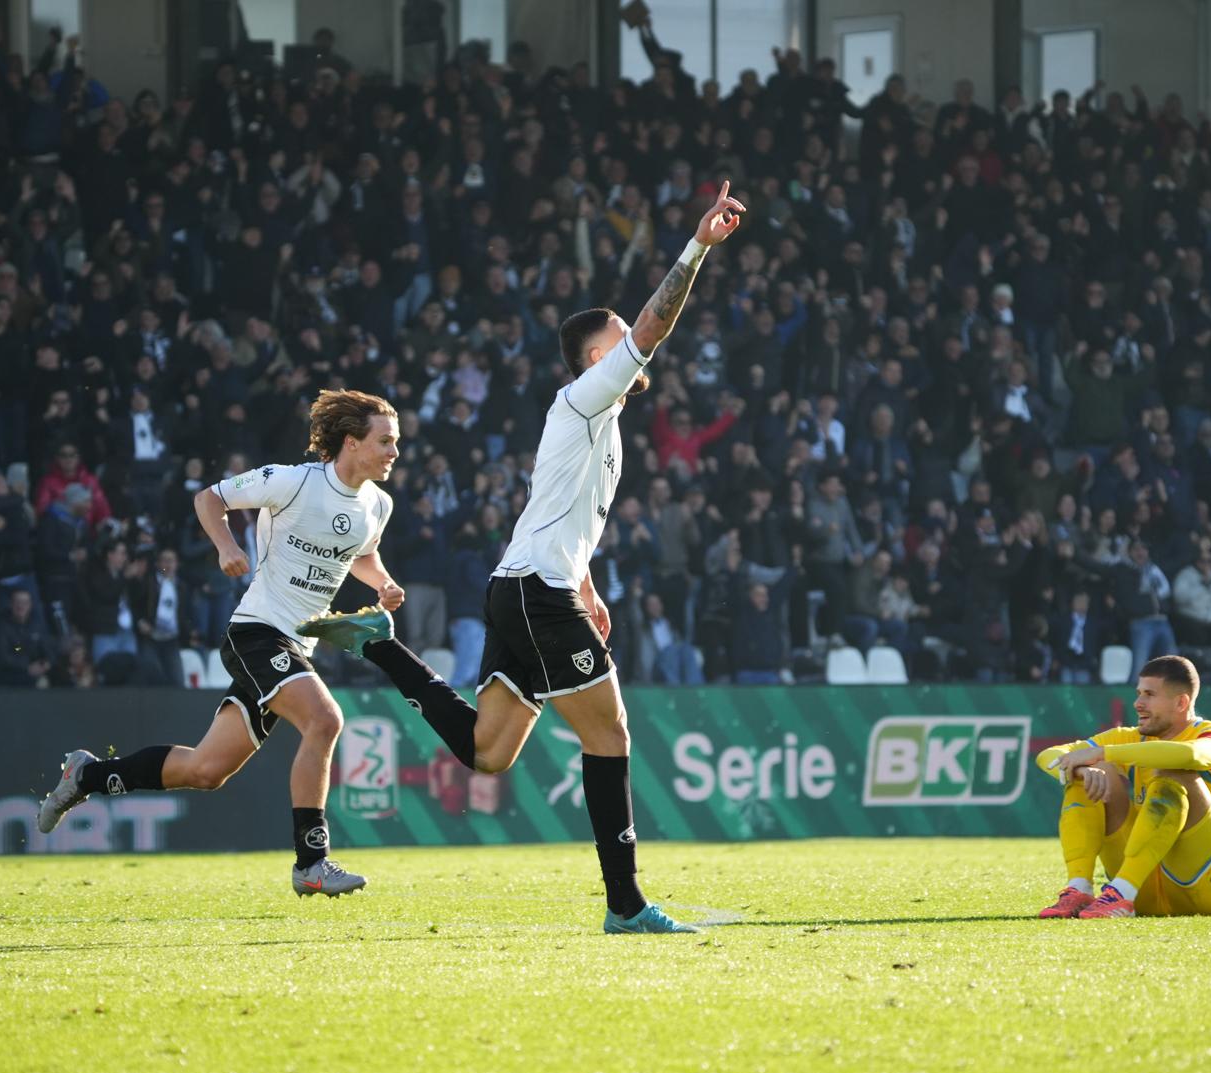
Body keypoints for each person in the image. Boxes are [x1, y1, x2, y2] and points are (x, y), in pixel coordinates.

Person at [301, 182, 747, 934]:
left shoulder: (600, 427)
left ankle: (383, 647)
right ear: (599, 356)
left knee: (489, 752)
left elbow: (559, 517)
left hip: (528, 586)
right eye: (622, 339)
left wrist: (589, 584)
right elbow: (656, 322)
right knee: (611, 737)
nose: (639, 348)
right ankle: (626, 903)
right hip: (537, 596)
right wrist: (698, 246)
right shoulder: (583, 397)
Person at [37, 390, 403, 898]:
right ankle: (312, 863)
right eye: (385, 441)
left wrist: (381, 583)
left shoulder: (378, 504)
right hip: (257, 632)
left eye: (396, 442)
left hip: (295, 647)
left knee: (206, 770)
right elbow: (209, 498)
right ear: (351, 442)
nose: (394, 452)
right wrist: (226, 545)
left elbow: (363, 554)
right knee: (326, 719)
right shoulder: (293, 481)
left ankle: (88, 775)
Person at [1033, 655, 1211, 919]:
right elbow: (1048, 756)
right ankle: (1079, 889)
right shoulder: (1130, 737)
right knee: (1086, 774)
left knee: (1176, 772)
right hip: (1144, 892)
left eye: (1149, 694)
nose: (1138, 703)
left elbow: (1192, 756)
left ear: (1181, 702)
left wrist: (1104, 753)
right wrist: (1081, 767)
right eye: (1138, 693)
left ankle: (1122, 892)